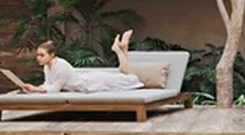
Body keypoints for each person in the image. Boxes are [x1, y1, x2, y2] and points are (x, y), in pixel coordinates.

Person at [18, 31, 148, 94]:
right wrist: (33, 89)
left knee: (133, 79)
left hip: (93, 83)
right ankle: (123, 49)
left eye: (42, 55)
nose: (38, 58)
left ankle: (118, 50)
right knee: (127, 76)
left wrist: (36, 89)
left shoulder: (61, 65)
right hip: (89, 80)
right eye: (37, 55)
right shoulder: (47, 67)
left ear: (52, 55)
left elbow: (55, 89)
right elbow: (47, 84)